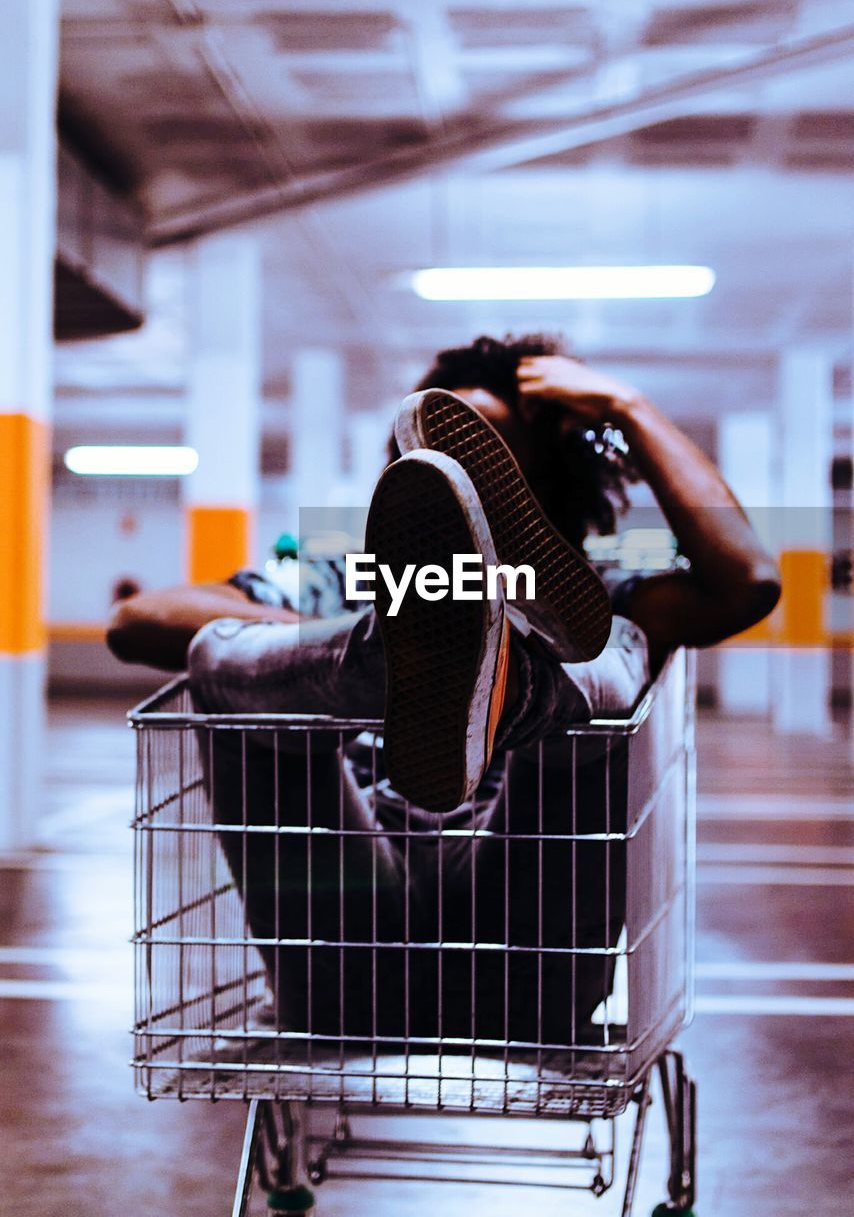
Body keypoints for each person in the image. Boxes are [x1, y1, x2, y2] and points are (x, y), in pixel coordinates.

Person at [108, 337, 780, 1046]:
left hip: (527, 957)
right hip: (347, 950)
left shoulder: (603, 592)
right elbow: (140, 621)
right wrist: (381, 644)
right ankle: (382, 658)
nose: (459, 467)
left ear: (540, 483)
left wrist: (625, 405)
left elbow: (747, 584)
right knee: (230, 662)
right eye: (435, 445)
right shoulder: (344, 580)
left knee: (618, 647)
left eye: (486, 453)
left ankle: (520, 683)